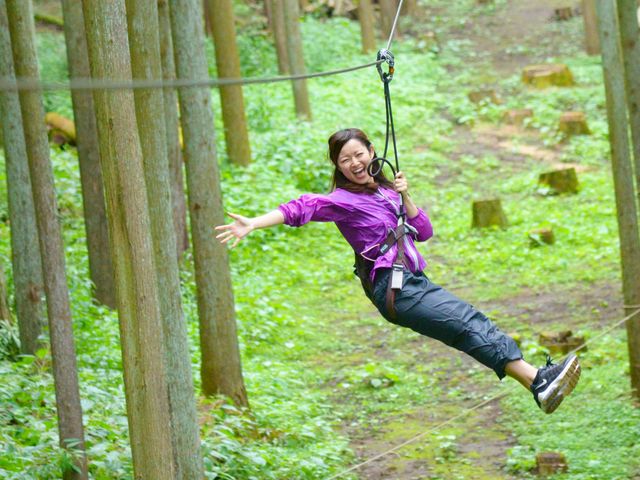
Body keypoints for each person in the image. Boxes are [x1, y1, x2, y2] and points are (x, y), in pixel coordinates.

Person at [215, 128, 581, 414]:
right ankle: (538, 383)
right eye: (345, 160)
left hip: (413, 281)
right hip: (395, 291)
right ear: (338, 167)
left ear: (372, 153)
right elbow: (302, 207)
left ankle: (537, 383)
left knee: (470, 322)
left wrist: (405, 194)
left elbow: (424, 231)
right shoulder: (343, 201)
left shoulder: (386, 193)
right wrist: (255, 223)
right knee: (466, 323)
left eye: (359, 154)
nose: (354, 163)